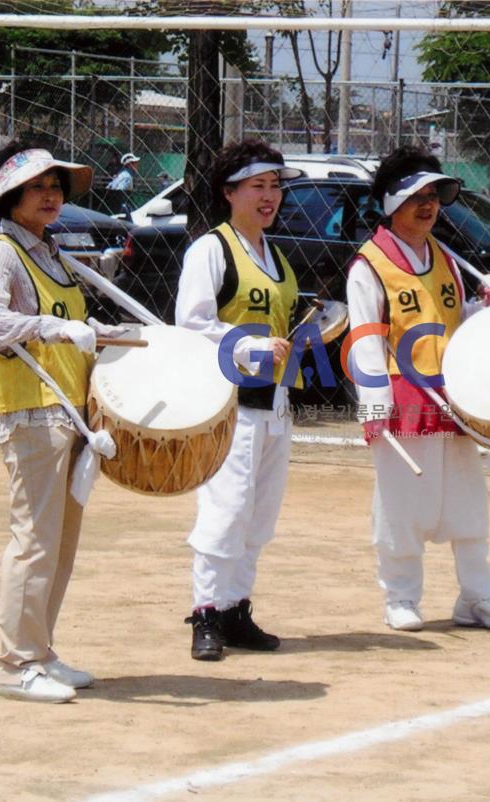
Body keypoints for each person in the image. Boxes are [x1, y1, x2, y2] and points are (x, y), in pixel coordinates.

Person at [344, 145, 490, 635]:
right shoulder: (370, 265)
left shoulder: (444, 256)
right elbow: (365, 336)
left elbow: (454, 320)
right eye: (415, 196)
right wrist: (374, 403)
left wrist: (489, 306)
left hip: (454, 394)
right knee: (403, 505)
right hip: (402, 398)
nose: (428, 205)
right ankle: (400, 597)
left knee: (469, 503)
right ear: (388, 204)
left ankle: (477, 596)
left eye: (434, 195)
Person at [0, 139, 126, 704]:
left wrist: (97, 333)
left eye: (56, 185)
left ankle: (39, 651)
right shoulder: (1, 252)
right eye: (38, 186)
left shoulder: (52, 253)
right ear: (10, 196)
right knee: (34, 540)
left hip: (71, 414)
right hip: (29, 413)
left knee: (60, 543)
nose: (51, 195)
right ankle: (13, 664)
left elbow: (70, 325)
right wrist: (50, 328)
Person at [174, 139, 304, 661]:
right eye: (258, 186)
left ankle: (235, 608)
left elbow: (284, 326)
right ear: (229, 192)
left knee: (259, 515)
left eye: (275, 186)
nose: (269, 196)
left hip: (274, 401)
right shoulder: (212, 249)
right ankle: (204, 612)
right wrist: (251, 345)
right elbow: (191, 324)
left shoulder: (278, 257)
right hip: (228, 403)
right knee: (225, 511)